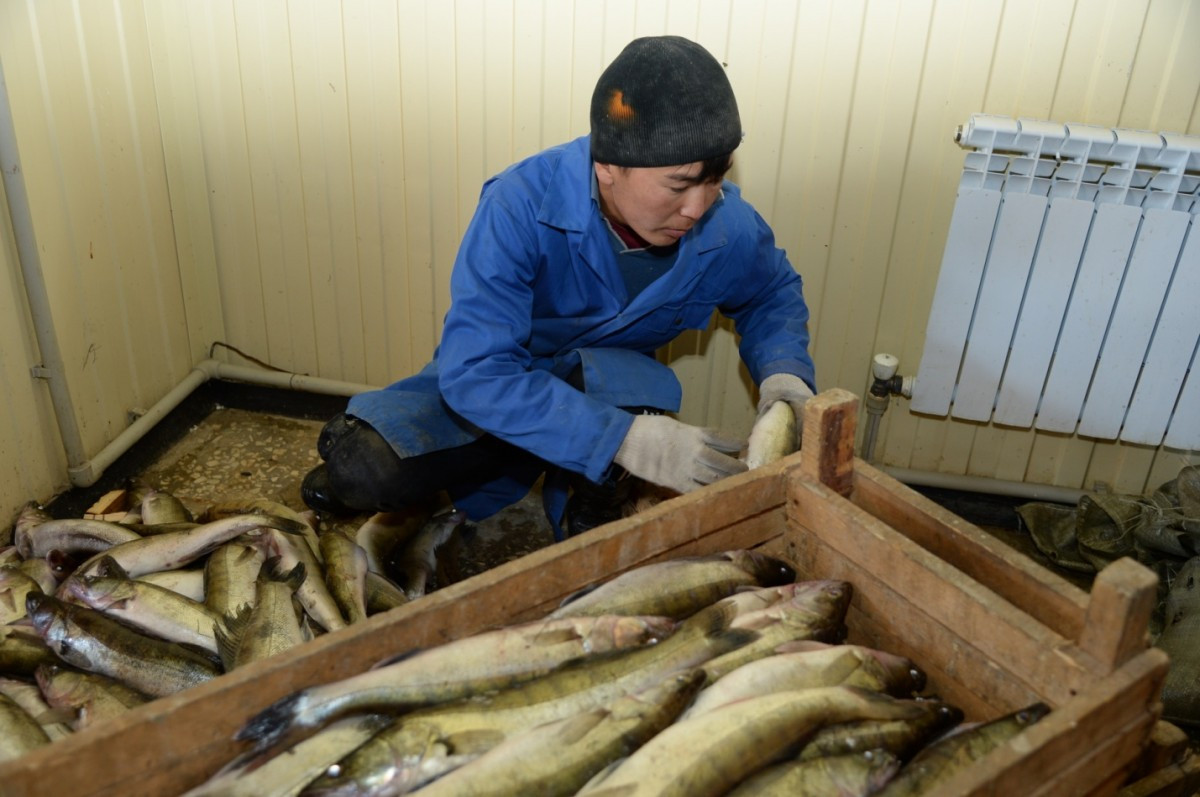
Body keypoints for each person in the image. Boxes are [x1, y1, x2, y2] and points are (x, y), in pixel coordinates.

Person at [301, 35, 816, 538]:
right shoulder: (519, 205)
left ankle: (589, 488)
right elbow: (477, 371)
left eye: (714, 179)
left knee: (633, 414)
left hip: (609, 391)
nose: (698, 207)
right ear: (608, 165)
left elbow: (770, 293)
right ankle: (501, 463)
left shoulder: (728, 227)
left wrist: (784, 377)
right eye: (680, 185)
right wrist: (623, 441)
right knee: (361, 468)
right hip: (504, 385)